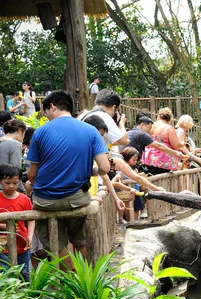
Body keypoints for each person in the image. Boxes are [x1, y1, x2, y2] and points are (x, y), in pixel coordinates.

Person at [27, 90, 124, 269]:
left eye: (45, 111)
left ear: (53, 106)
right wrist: (92, 171)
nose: (46, 116)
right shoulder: (90, 131)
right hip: (77, 199)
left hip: (45, 201)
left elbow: (32, 175)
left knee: (55, 243)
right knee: (80, 240)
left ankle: (69, 279)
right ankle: (84, 280)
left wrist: (39, 185)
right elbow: (105, 168)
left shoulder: (40, 133)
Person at [0, 163, 34, 281]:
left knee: (24, 276)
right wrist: (6, 227)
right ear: (1, 181)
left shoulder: (24, 199)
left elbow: (31, 218)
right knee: (4, 276)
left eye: (15, 183)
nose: (11, 186)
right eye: (7, 183)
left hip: (22, 244)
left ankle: (26, 298)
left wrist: (30, 236)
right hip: (2, 246)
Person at [142, 107, 188, 175]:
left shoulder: (150, 125)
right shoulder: (168, 128)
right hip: (163, 162)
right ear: (169, 118)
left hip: (148, 158)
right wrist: (183, 143)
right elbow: (176, 145)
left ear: (158, 116)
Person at [0, 119, 27, 194]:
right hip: (6, 189)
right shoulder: (15, 144)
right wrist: (23, 191)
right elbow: (16, 172)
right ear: (20, 130)